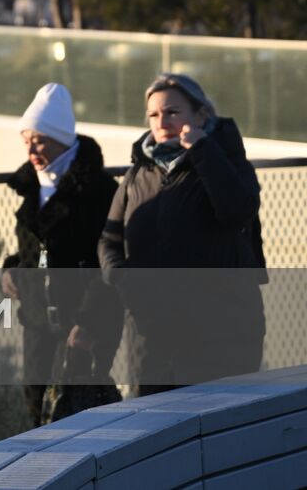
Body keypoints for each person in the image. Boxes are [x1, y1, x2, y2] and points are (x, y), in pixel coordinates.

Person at [98, 73, 265, 394]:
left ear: (200, 115)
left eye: (172, 112)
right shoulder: (138, 173)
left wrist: (203, 148)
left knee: (217, 427)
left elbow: (237, 209)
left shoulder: (226, 160)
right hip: (152, 333)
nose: (162, 122)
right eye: (154, 115)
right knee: (153, 428)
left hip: (220, 334)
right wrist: (120, 277)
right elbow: (110, 239)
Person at [0, 83, 122, 426]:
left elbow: (107, 261)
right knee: (37, 403)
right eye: (26, 141)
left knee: (77, 410)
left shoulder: (98, 190)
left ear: (62, 139)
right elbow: (30, 252)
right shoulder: (31, 188)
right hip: (38, 318)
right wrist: (10, 271)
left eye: (39, 140)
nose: (31, 149)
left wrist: (89, 322)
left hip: (84, 318)